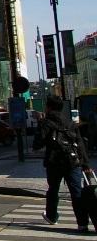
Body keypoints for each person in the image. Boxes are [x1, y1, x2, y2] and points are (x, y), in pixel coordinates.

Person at [33, 95, 91, 232]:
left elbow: (37, 145)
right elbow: (80, 145)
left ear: (48, 107)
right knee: (76, 192)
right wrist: (86, 165)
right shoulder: (70, 123)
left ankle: (52, 216)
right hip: (73, 162)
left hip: (54, 162)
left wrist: (40, 123)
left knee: (53, 190)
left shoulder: (46, 123)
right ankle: (82, 223)